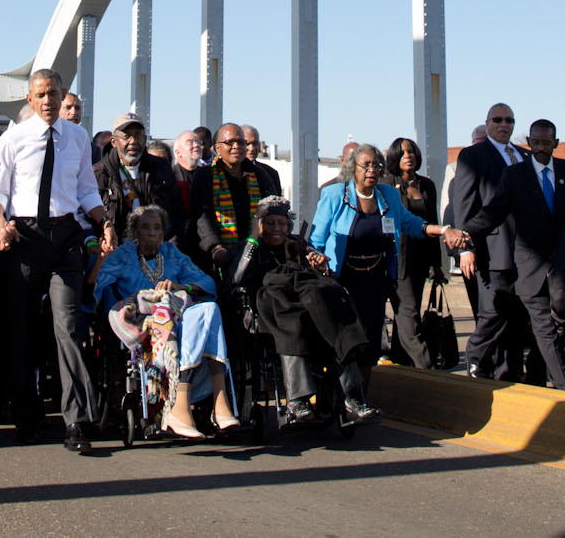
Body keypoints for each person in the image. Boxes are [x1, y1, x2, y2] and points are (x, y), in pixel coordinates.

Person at [0, 67, 112, 453]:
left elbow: (87, 191)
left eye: (53, 94)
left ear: (62, 96)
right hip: (24, 238)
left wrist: (105, 222)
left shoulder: (77, 139)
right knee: (21, 330)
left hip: (64, 238)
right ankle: (26, 416)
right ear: (30, 99)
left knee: (69, 326)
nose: (47, 101)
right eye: (40, 95)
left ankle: (76, 421)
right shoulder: (14, 138)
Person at [309, 142, 465, 385]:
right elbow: (315, 240)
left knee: (370, 344)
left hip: (374, 280)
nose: (373, 170)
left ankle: (361, 398)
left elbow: (412, 223)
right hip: (342, 280)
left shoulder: (388, 196)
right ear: (354, 168)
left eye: (377, 165)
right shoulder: (335, 195)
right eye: (367, 165)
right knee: (346, 342)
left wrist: (444, 230)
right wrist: (316, 260)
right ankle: (341, 400)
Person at [93, 204, 241, 439]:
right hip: (146, 318)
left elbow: (208, 284)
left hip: (179, 316)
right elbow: (101, 287)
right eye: (145, 227)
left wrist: (182, 286)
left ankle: (215, 399)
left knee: (210, 309)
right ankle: (193, 403)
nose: (152, 232)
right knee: (171, 312)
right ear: (134, 232)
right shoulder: (122, 256)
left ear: (163, 233)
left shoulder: (172, 254)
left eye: (157, 227)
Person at [230, 197, 380, 428]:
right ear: (259, 225)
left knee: (334, 318)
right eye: (270, 223)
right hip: (272, 307)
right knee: (293, 321)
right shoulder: (250, 245)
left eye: (281, 223)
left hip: (305, 306)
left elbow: (319, 282)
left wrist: (320, 267)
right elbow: (237, 279)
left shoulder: (297, 246)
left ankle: (351, 398)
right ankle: (297, 401)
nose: (277, 229)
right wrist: (253, 237)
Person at [462, 118, 565, 390]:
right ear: (528, 143)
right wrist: (467, 234)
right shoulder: (515, 176)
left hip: (563, 264)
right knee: (543, 325)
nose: (541, 148)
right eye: (536, 142)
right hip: (529, 265)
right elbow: (495, 211)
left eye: (546, 142)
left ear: (556, 143)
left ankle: (542, 375)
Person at [451, 102, 529, 381]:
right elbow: (464, 205)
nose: (504, 125)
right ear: (487, 123)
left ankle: (509, 375)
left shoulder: (523, 156)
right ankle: (476, 361)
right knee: (493, 312)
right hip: (491, 249)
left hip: (526, 252)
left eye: (509, 120)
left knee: (518, 319)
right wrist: (465, 248)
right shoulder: (473, 156)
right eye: (498, 120)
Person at [384, 136, 441, 369]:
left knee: (409, 311)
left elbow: (433, 222)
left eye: (411, 152)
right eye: (403, 152)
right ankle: (424, 365)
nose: (408, 156)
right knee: (408, 314)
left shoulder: (426, 184)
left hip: (421, 257)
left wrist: (438, 264)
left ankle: (401, 361)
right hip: (398, 258)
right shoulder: (387, 184)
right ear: (395, 157)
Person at [192, 123, 272, 272]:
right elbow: (201, 216)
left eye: (241, 142)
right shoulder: (204, 176)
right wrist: (215, 248)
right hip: (217, 257)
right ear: (217, 149)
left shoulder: (260, 175)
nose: (236, 146)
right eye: (229, 142)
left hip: (258, 254)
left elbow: (272, 209)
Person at [95, 112, 183, 242]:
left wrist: (169, 239)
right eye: (126, 136)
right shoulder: (99, 172)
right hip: (115, 248)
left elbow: (177, 211)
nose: (133, 141)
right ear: (114, 142)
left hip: (155, 247)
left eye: (138, 136)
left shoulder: (161, 168)